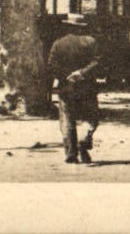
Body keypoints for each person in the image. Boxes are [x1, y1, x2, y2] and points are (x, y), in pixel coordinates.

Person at [46, 12, 101, 165]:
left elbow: (51, 66)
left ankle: (71, 153)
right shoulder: (91, 42)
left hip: (66, 87)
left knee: (67, 119)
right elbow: (98, 63)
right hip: (87, 86)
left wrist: (66, 76)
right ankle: (84, 138)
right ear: (82, 27)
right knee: (91, 117)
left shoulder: (58, 43)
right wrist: (81, 73)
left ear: (68, 26)